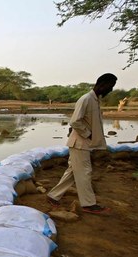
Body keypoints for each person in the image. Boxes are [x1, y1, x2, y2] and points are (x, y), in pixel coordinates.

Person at [47, 73, 118, 214]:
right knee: (85, 172)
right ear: (102, 84)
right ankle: (88, 204)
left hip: (83, 143)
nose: (110, 90)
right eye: (110, 87)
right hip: (80, 143)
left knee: (73, 171)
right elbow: (75, 121)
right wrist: (88, 134)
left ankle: (53, 196)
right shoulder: (86, 99)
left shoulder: (95, 100)